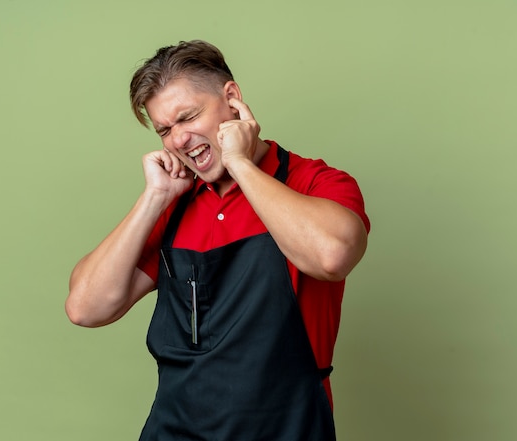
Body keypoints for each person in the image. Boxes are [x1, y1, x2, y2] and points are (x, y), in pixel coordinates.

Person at [66, 40, 370, 441]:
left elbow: (332, 256)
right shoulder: (173, 206)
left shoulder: (314, 183)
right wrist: (153, 198)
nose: (177, 140)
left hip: (287, 427)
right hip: (176, 429)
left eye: (188, 117)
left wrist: (240, 163)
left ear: (232, 99)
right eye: (164, 130)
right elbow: (86, 308)